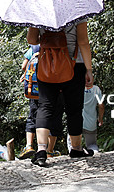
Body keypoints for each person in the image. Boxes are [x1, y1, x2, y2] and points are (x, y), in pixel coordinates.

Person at [29, 21, 94, 167]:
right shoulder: (78, 14)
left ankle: (41, 151)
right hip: (73, 65)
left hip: (47, 64)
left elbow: (31, 40)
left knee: (45, 106)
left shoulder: (39, 14)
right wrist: (89, 69)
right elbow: (83, 42)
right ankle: (76, 148)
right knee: (74, 108)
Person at [81, 82, 104, 152]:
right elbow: (101, 106)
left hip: (77, 120)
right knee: (92, 144)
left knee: (73, 144)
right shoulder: (96, 89)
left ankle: (73, 152)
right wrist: (100, 118)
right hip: (91, 122)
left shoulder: (76, 87)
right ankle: (95, 153)